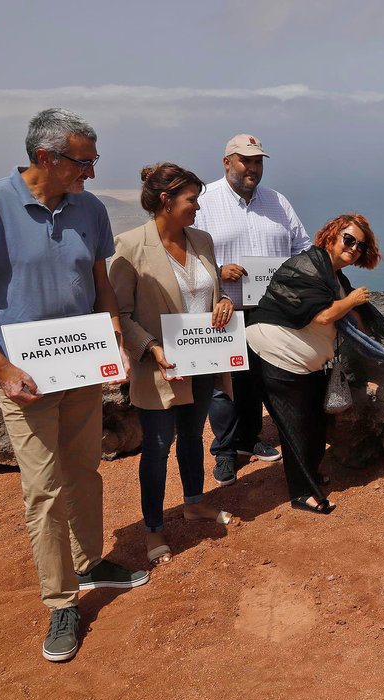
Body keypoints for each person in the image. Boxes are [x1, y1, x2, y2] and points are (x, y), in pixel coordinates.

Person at [0, 108, 148, 663]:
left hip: (81, 365)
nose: (92, 173)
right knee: (45, 487)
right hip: (24, 375)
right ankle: (61, 602)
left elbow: (99, 283)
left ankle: (91, 561)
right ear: (45, 158)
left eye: (94, 161)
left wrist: (115, 341)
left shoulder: (89, 209)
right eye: (83, 162)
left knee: (84, 470)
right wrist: (2, 367)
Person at [109, 163, 239, 566]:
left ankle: (195, 503)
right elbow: (120, 312)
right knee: (158, 447)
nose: (198, 207)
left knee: (192, 435)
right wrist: (150, 348)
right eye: (191, 200)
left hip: (201, 360)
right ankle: (152, 529)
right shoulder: (129, 246)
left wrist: (224, 301)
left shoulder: (202, 239)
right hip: (159, 368)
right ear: (165, 201)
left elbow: (213, 291)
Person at [246, 214, 384, 513]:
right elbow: (321, 315)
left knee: (314, 424)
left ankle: (310, 474)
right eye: (349, 239)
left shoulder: (335, 277)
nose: (354, 248)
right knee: (295, 426)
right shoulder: (304, 266)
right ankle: (302, 493)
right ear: (330, 236)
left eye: (360, 245)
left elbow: (359, 321)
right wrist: (353, 299)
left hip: (307, 364)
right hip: (276, 355)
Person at [192, 134, 312, 485]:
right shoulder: (205, 201)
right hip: (224, 309)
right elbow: (183, 254)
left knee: (260, 378)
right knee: (224, 383)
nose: (253, 168)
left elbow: (302, 246)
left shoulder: (277, 201)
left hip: (272, 310)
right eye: (245, 160)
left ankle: (249, 439)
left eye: (258, 161)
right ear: (227, 162)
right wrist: (217, 270)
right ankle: (225, 451)